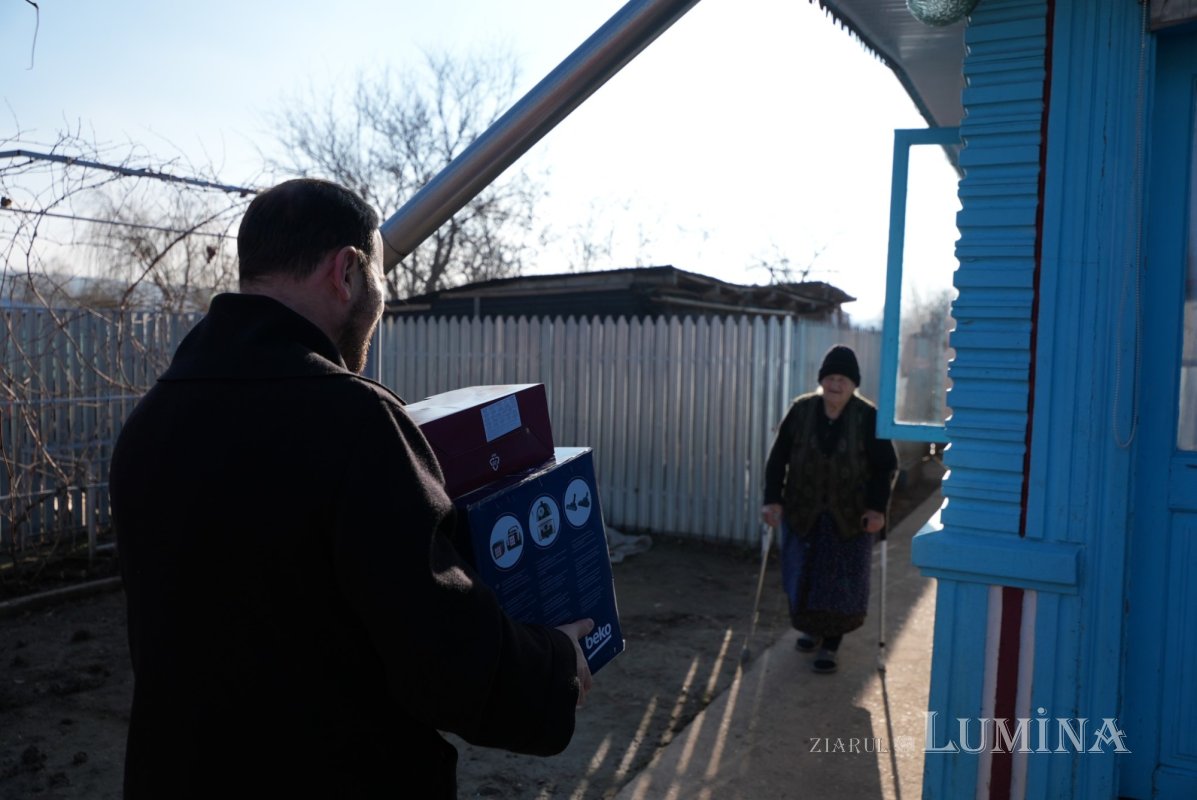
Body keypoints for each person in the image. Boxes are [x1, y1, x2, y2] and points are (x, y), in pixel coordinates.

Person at [110, 178, 593, 799]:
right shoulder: (353, 421)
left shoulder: (152, 420)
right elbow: (444, 655)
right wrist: (553, 662)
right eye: (381, 279)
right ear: (348, 271)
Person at [760, 344, 898, 674]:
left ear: (854, 385)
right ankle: (810, 629)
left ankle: (832, 643)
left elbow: (885, 466)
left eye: (843, 380)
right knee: (803, 574)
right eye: (831, 378)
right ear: (822, 380)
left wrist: (877, 509)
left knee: (840, 582)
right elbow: (778, 459)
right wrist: (772, 499)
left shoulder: (868, 416)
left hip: (849, 516)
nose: (836, 385)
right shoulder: (801, 410)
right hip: (802, 511)